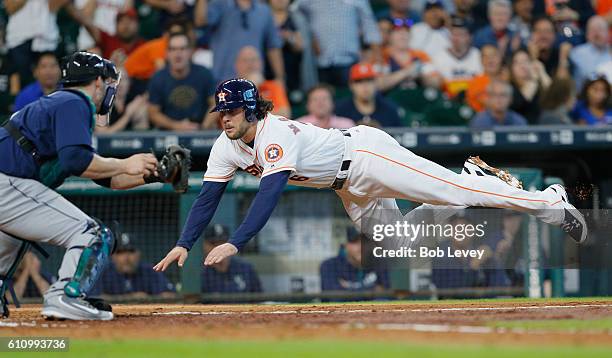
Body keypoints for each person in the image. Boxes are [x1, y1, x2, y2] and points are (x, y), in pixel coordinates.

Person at [152, 77, 587, 277]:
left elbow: (269, 193)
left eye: (230, 111)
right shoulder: (225, 146)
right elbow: (207, 197)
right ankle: (460, 188)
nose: (223, 118)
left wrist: (236, 241)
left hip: (364, 156)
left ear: (250, 109)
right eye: (220, 112)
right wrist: (183, 243)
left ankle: (550, 202)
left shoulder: (274, 132)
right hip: (347, 188)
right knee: (396, 244)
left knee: (457, 188)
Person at [0, 51, 162, 320]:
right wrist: (125, 163)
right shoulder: (75, 101)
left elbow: (104, 177)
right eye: (109, 83)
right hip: (8, 181)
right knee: (94, 234)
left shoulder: (61, 102)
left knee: (12, 240)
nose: (110, 89)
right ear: (98, 81)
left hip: (8, 184)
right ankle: (66, 295)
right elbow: (77, 161)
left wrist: (156, 174)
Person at [294, 0, 382, 87]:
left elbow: (369, 25)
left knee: (349, 97)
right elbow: (293, 10)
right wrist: (310, 36)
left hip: (349, 60)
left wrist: (376, 56)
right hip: (321, 62)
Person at [194, 0, 284, 83]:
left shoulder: (264, 10)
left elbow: (273, 46)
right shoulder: (220, 4)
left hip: (255, 80)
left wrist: (280, 78)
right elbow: (200, 21)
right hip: (223, 80)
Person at [147, 32, 216, 131]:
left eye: (182, 49)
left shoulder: (204, 74)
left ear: (190, 52)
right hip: (167, 133)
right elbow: (153, 113)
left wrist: (203, 128)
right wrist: (176, 126)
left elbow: (215, 104)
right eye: (173, 49)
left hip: (199, 129)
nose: (178, 54)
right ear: (167, 53)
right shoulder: (158, 78)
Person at [92, 233, 175, 298]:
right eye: (121, 252)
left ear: (138, 254)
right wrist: (131, 298)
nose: (126, 258)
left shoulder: (149, 271)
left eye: (131, 251)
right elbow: (94, 298)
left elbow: (170, 295)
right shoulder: (103, 272)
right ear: (113, 256)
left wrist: (149, 299)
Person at [320, 227, 389, 294]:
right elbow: (335, 299)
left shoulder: (380, 264)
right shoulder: (330, 266)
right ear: (345, 245)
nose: (361, 247)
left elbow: (387, 297)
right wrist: (374, 290)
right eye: (355, 242)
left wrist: (347, 290)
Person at [335, 62, 403, 128]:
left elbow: (399, 136)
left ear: (376, 82)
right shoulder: (340, 110)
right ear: (351, 85)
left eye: (369, 80)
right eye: (359, 81)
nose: (365, 86)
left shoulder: (390, 109)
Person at [200, 224, 262, 295]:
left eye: (223, 243)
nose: (218, 248)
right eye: (213, 243)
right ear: (204, 245)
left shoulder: (245, 268)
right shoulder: (198, 272)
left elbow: (259, 298)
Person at [431, 16, 482, 98]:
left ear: (470, 37)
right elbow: (430, 80)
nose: (456, 38)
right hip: (447, 102)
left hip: (473, 100)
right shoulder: (438, 57)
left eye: (461, 34)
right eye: (454, 34)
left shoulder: (478, 55)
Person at [508, 49, 551, 124]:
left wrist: (542, 72)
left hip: (542, 128)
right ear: (511, 67)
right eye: (517, 62)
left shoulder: (538, 84)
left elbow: (556, 98)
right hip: (517, 130)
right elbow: (519, 102)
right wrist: (533, 79)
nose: (522, 65)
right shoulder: (508, 87)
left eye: (526, 61)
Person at [569, 16, 611, 91]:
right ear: (587, 34)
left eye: (600, 29)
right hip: (582, 97)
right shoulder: (576, 53)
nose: (597, 34)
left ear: (608, 33)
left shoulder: (610, 52)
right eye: (593, 30)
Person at [466, 44, 507, 113]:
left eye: (493, 55)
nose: (490, 60)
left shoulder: (508, 78)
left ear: (500, 58)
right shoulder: (475, 82)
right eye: (485, 56)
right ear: (481, 60)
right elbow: (495, 105)